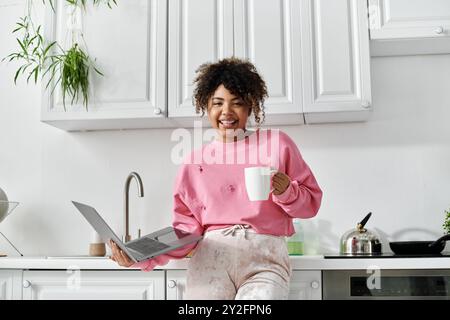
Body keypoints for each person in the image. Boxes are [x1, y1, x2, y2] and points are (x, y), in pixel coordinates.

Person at [109, 57, 322, 299]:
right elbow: (185, 231)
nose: (226, 112)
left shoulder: (277, 144)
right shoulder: (194, 161)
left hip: (265, 260)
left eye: (237, 103)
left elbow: (311, 204)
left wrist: (287, 191)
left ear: (250, 106)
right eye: (217, 103)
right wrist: (141, 256)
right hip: (210, 260)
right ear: (206, 107)